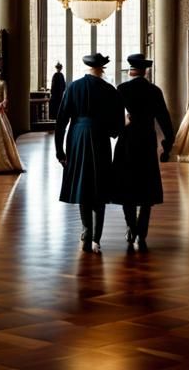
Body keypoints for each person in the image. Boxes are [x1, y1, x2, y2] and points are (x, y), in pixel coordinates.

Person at [54, 52, 123, 253]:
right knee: (99, 185)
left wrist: (60, 151)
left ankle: (85, 230)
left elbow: (61, 121)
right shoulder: (109, 90)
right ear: (101, 69)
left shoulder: (73, 87)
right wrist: (113, 132)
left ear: (87, 67)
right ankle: (97, 238)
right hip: (99, 138)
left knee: (83, 184)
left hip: (77, 139)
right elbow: (116, 121)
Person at [111, 54, 174, 251]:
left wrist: (115, 131)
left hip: (127, 142)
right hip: (147, 142)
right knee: (146, 188)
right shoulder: (154, 91)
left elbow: (113, 118)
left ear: (131, 70)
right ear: (146, 71)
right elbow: (164, 119)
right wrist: (167, 143)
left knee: (127, 186)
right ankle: (142, 232)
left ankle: (130, 226)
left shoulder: (121, 89)